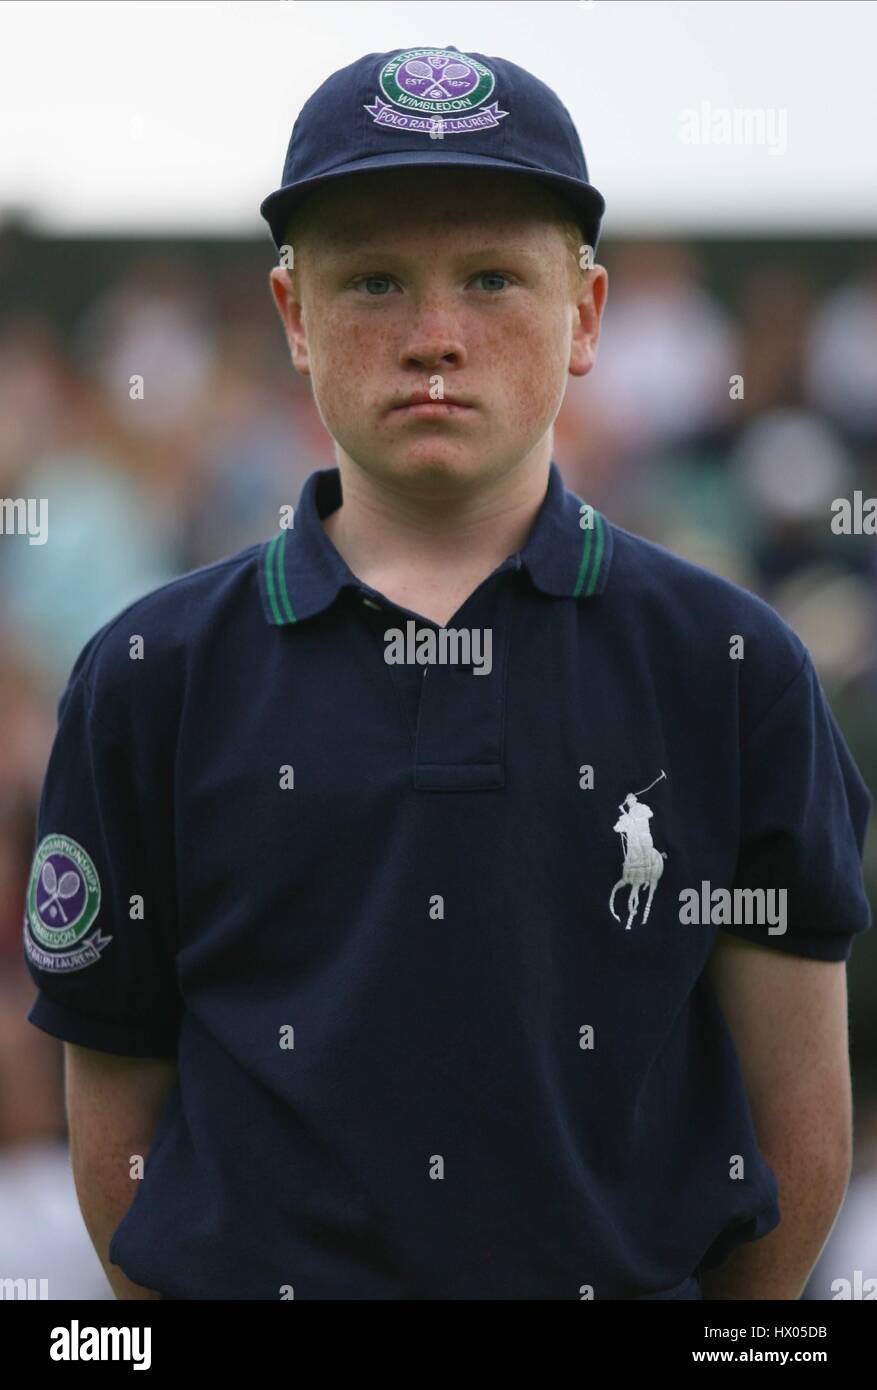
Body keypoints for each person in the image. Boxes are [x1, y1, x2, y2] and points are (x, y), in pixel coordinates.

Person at [23, 46, 871, 1301]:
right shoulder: (151, 674)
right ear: (291, 317)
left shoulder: (730, 664)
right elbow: (116, 1128)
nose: (434, 336)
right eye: (371, 280)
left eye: (491, 279)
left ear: (584, 317)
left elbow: (797, 1123)